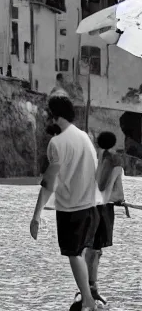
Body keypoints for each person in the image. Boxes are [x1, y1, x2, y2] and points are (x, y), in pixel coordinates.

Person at [30, 95, 102, 311]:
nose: (46, 118)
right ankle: (88, 295)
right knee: (80, 252)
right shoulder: (84, 137)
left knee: (73, 254)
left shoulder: (57, 143)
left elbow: (49, 183)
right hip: (93, 207)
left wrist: (36, 215)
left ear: (56, 116)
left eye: (48, 114)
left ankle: (88, 301)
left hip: (73, 209)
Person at [77, 131, 125, 307]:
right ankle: (91, 288)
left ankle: (89, 287)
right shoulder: (114, 160)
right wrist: (118, 199)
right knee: (95, 250)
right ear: (114, 143)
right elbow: (113, 191)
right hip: (102, 209)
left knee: (90, 248)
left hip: (88, 206)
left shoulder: (93, 156)